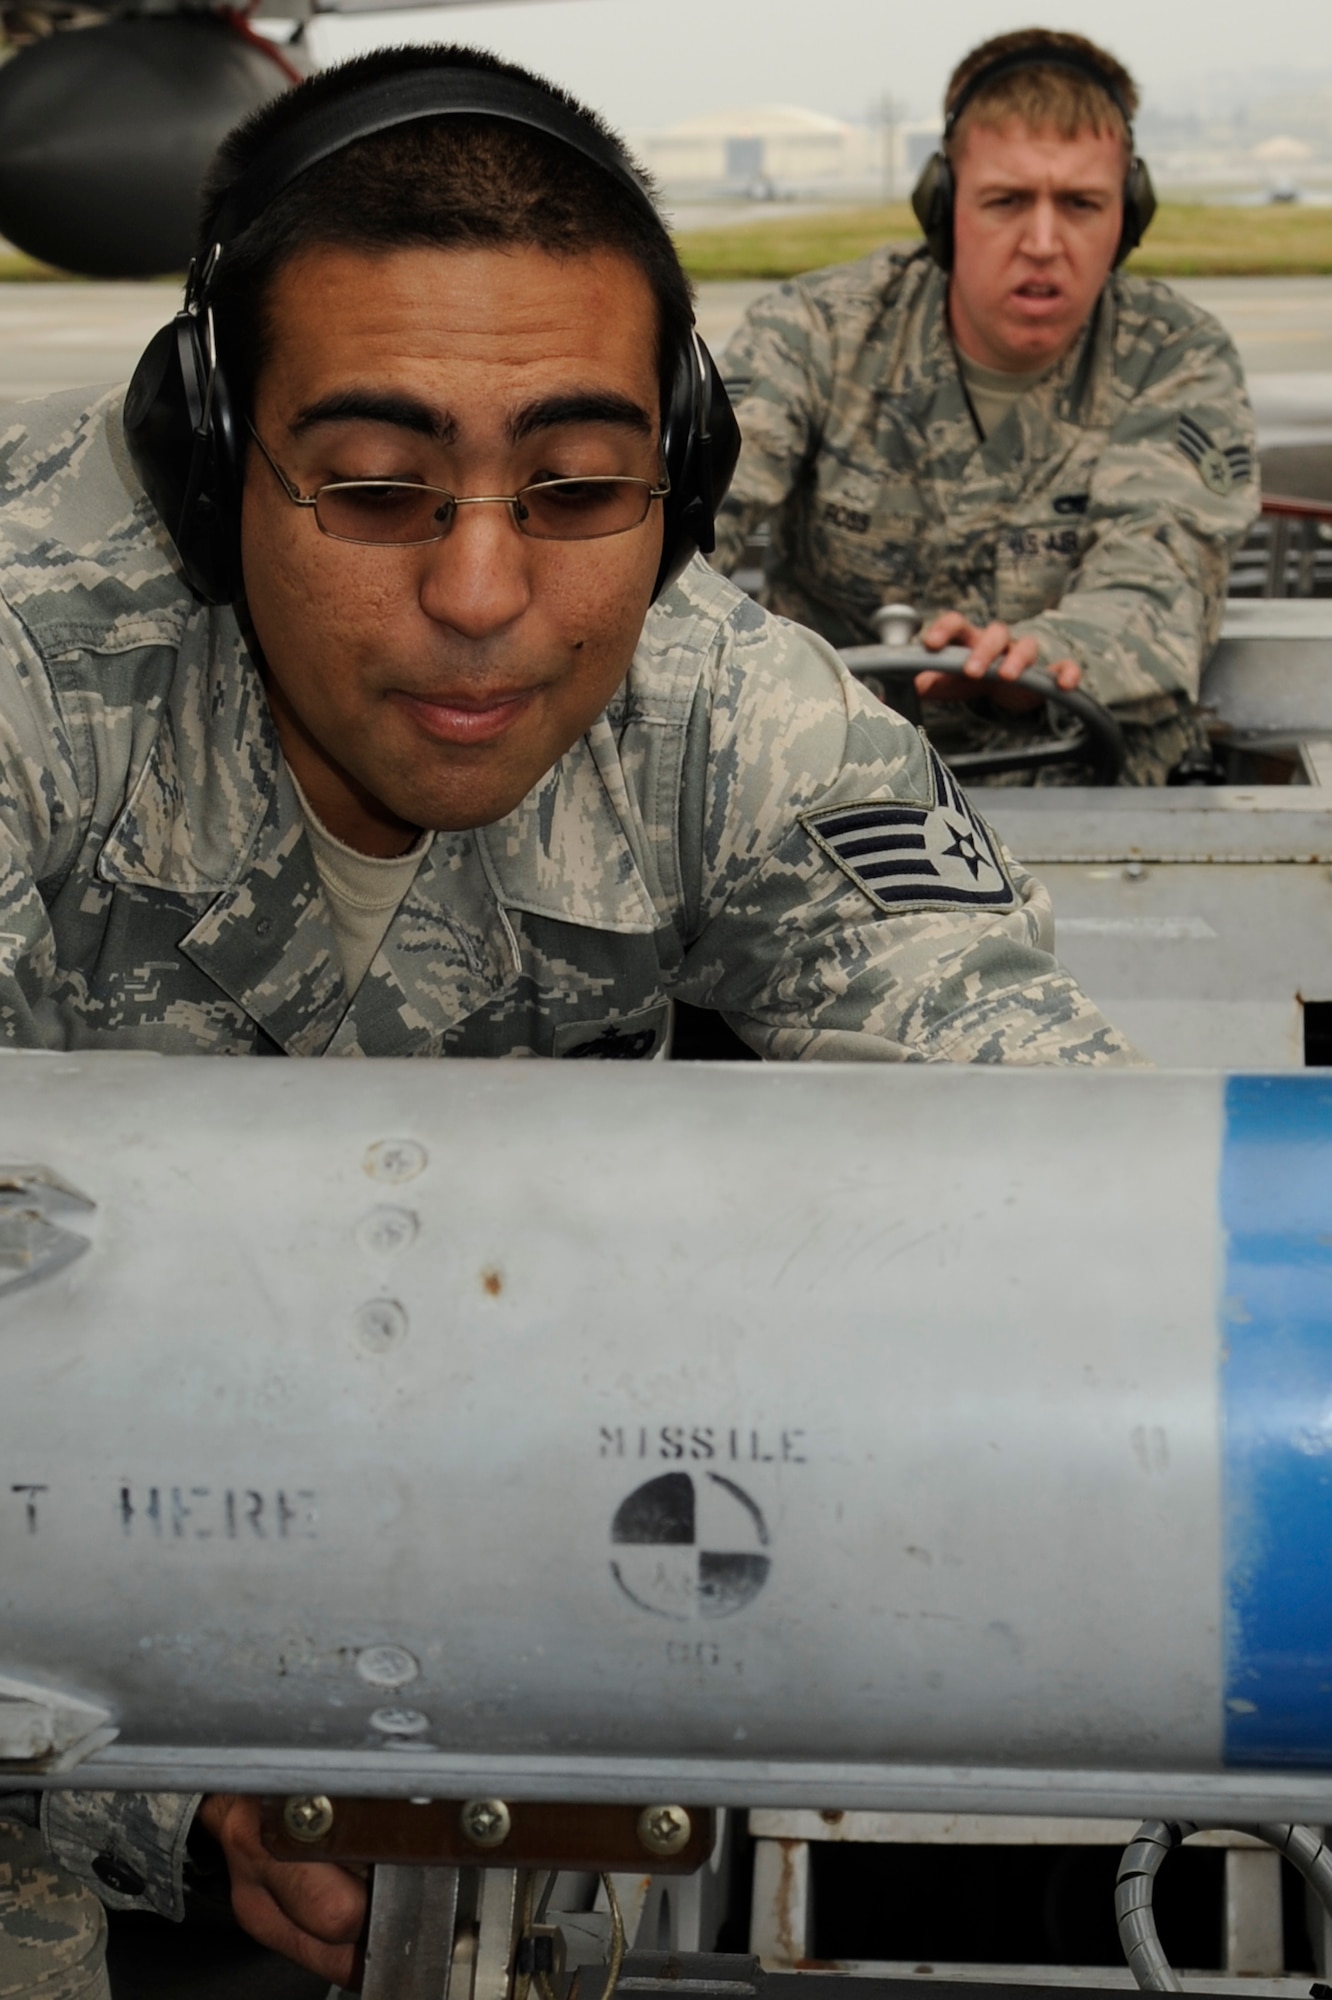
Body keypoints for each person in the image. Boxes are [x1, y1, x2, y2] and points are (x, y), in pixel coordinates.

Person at [0, 43, 1138, 1992]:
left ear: (680, 471)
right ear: (212, 462)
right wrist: (174, 1786)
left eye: (579, 485)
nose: (483, 588)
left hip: (467, 1610)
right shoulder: (37, 679)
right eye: (372, 484)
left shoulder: (715, 712)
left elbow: (1069, 1182)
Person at [712, 29, 1260, 786]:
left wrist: (1034, 662)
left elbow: (1157, 587)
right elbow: (678, 531)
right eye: (1006, 201)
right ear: (944, 208)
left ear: (1127, 218)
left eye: (1080, 204)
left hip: (1086, 793)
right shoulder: (817, 333)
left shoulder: (1175, 357)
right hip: (824, 785)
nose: (1043, 241)